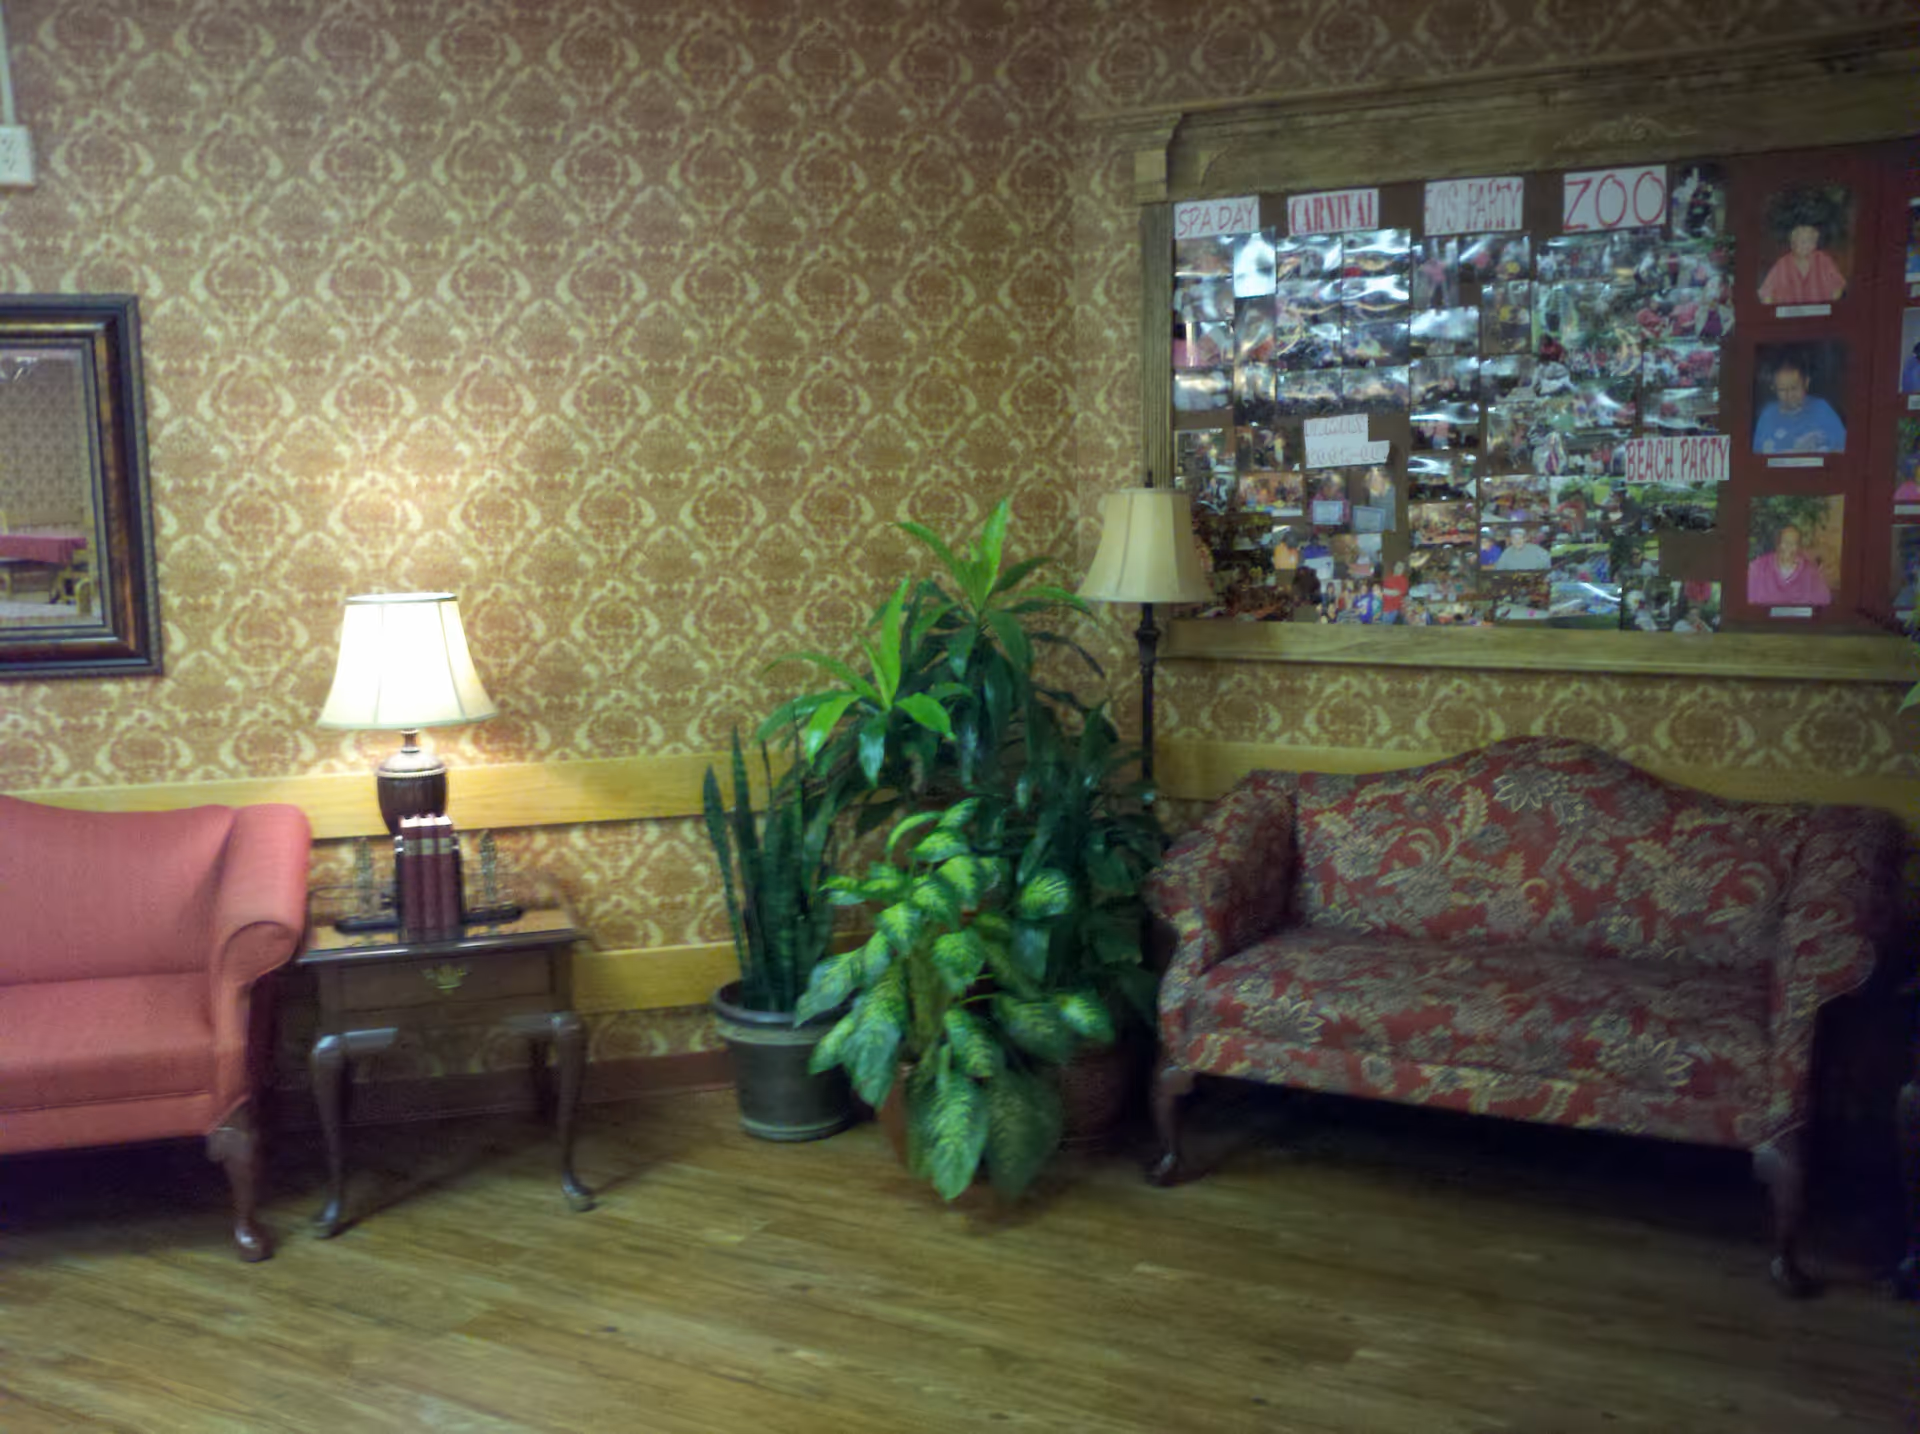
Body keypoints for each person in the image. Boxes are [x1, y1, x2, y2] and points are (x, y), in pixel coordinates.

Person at [1753, 356, 1846, 455]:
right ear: (1773, 388)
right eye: (1782, 390)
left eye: (1794, 389)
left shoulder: (1824, 411)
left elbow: (1844, 454)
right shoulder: (1766, 417)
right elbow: (1756, 461)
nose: (1789, 396)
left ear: (1806, 383)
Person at [1758, 220, 1846, 304]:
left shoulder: (1823, 260)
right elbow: (1766, 293)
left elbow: (1838, 286)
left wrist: (1828, 307)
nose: (1806, 245)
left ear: (1815, 245)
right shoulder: (1782, 264)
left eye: (1810, 241)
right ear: (1792, 244)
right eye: (1802, 241)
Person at [1746, 524, 1832, 606]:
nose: (1789, 546)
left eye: (1794, 543)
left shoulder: (1811, 571)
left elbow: (1822, 601)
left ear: (1799, 547)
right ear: (1778, 544)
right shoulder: (1759, 567)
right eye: (1785, 541)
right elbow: (1749, 599)